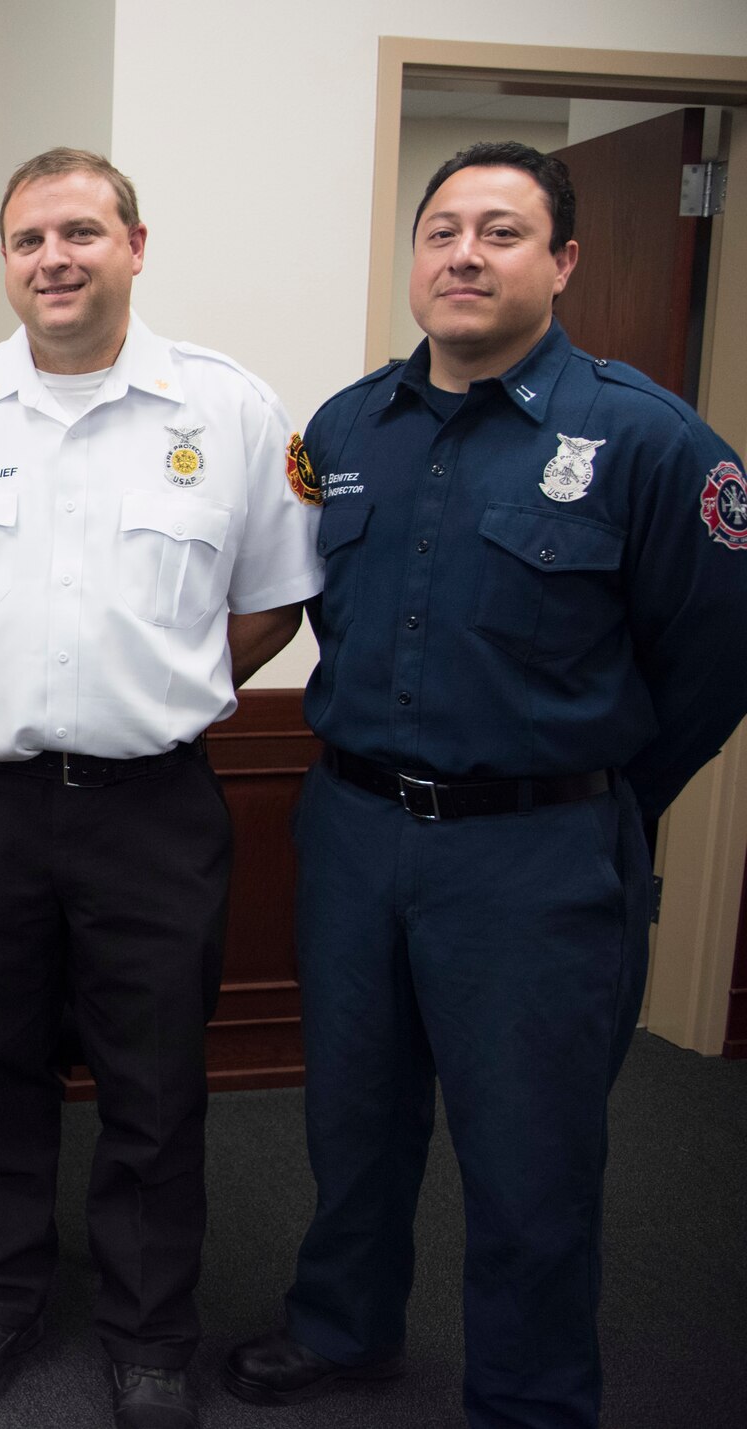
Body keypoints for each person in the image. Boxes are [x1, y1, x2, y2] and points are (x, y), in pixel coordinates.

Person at [225, 141, 747, 1429]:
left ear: (560, 261)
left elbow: (715, 655)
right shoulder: (343, 429)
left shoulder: (646, 438)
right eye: (441, 229)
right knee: (350, 1114)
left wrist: (595, 798)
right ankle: (342, 1327)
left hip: (535, 855)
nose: (463, 252)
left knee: (529, 1157)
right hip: (349, 830)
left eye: (501, 231)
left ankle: (527, 1396)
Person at [0, 148, 322, 1429]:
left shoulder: (227, 411)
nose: (52, 259)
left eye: (80, 231)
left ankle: (146, 1330)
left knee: (152, 1078)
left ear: (134, 243)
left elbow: (267, 608)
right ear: (4, 261)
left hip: (152, 804)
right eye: (26, 240)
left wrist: (159, 687)